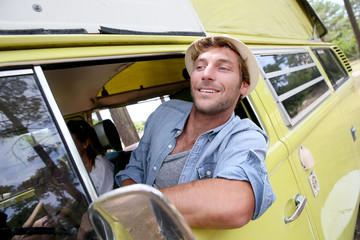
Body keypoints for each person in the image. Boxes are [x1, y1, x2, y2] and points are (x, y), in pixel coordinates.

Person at [115, 35, 276, 229]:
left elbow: (234, 203)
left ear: (244, 85)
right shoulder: (164, 112)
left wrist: (131, 209)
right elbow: (136, 169)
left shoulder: (245, 135)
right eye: (200, 66)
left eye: (223, 67)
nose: (206, 74)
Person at [67, 120, 114, 195]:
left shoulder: (101, 165)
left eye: (71, 143)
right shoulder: (73, 168)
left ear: (85, 143)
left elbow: (109, 199)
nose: (67, 148)